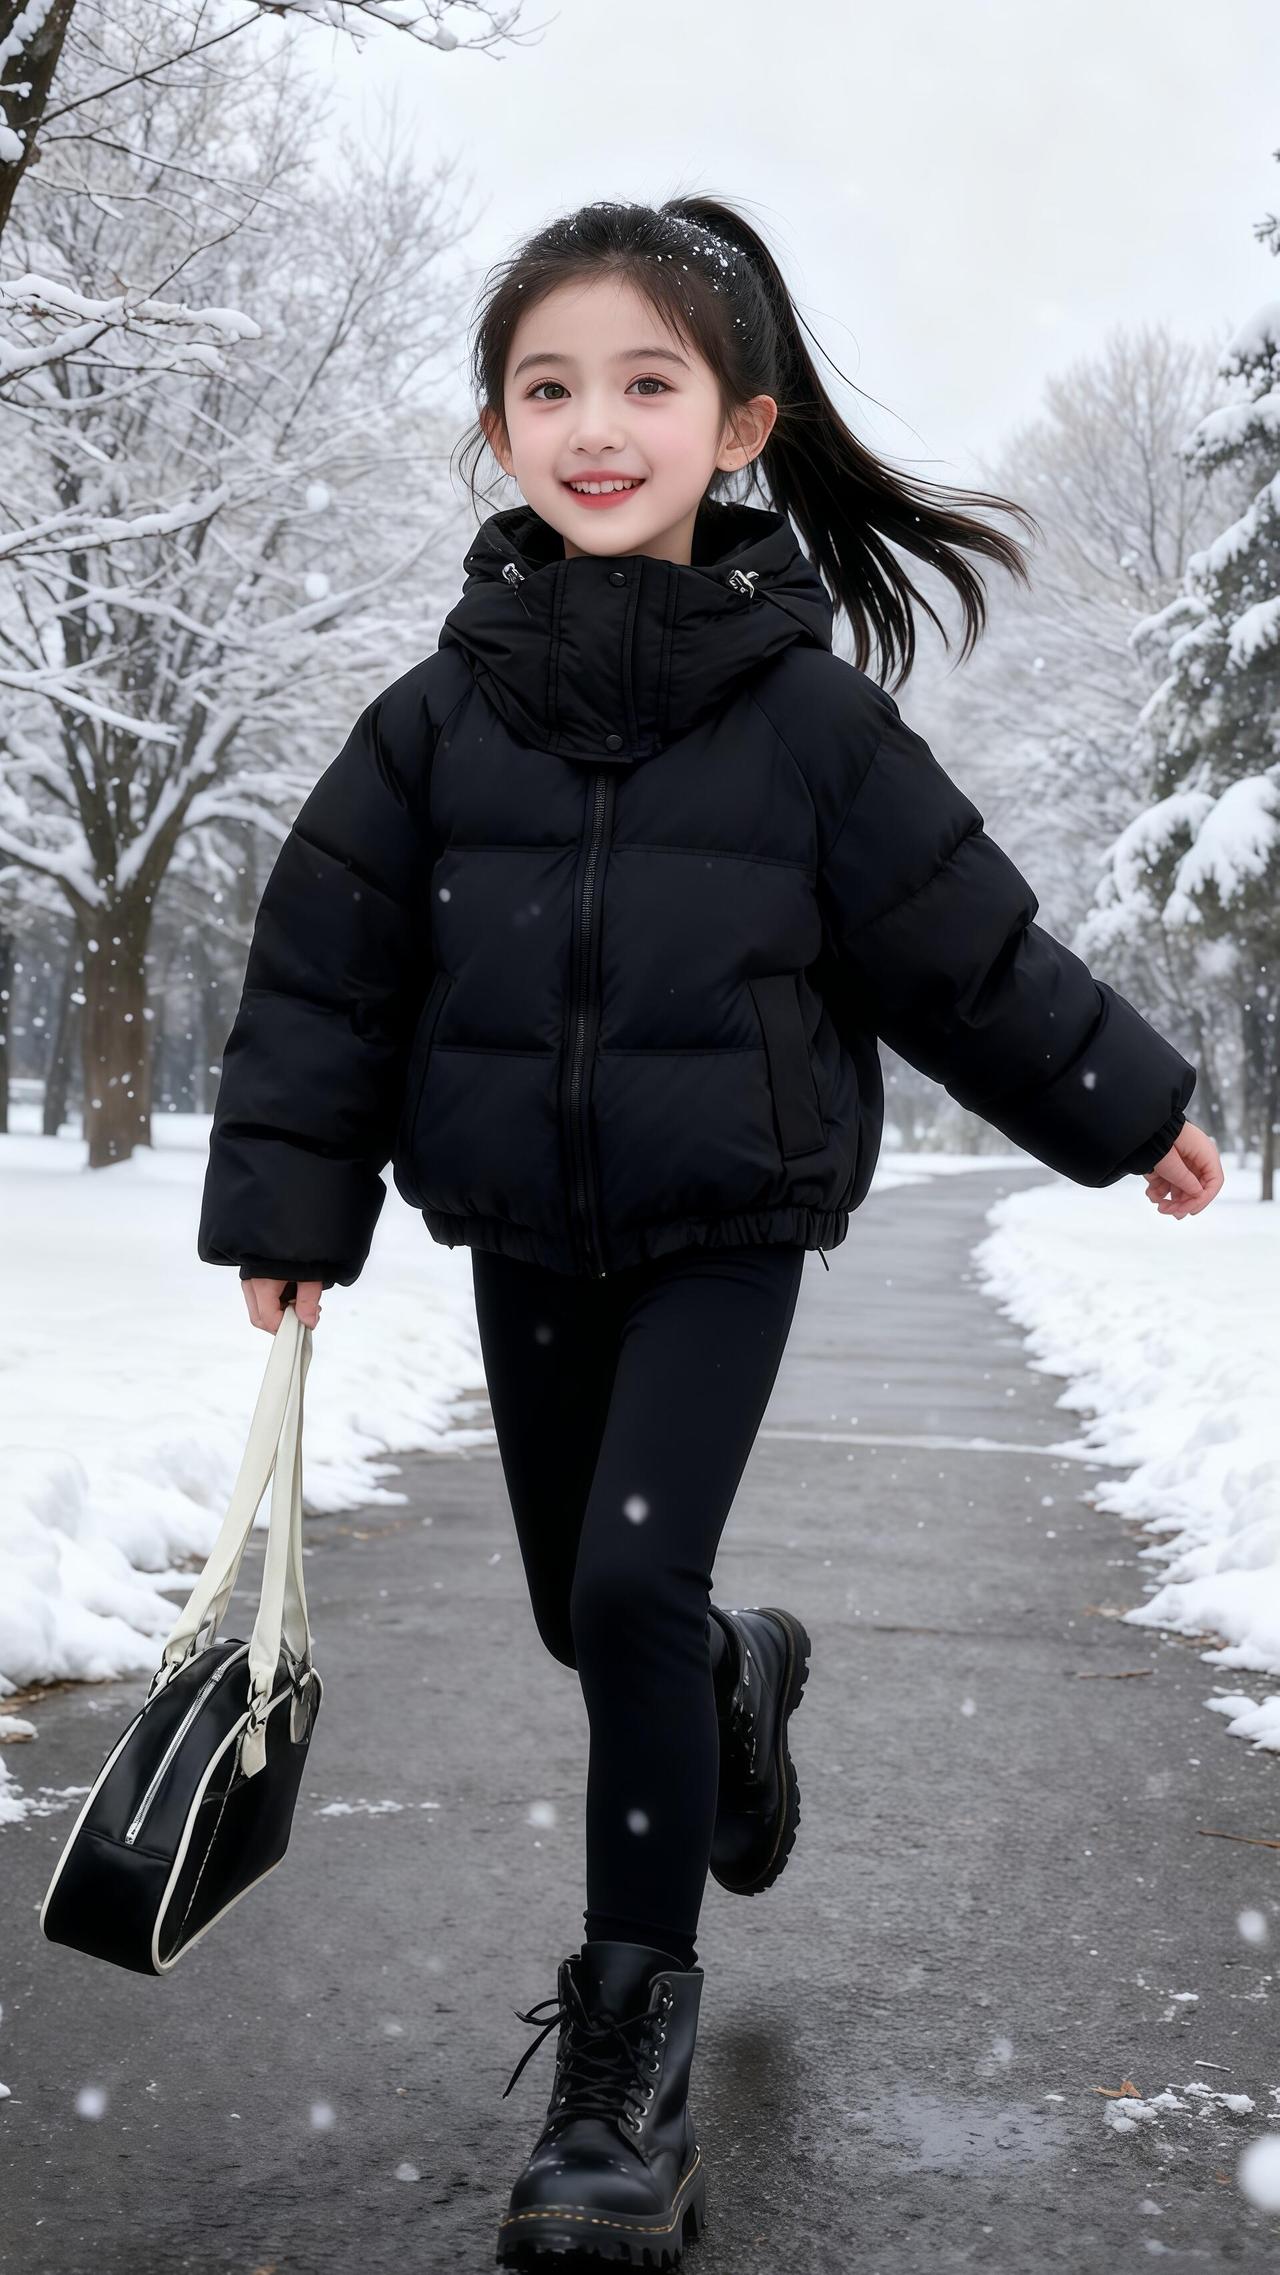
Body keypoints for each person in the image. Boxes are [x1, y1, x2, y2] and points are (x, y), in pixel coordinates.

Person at [197, 196, 1223, 2266]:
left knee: (630, 1580)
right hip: (518, 1221)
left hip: (725, 1219)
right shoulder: (433, 717)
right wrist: (294, 1202)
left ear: (737, 423)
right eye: (547, 387)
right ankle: (744, 1683)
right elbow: (327, 971)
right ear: (498, 429)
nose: (594, 423)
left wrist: (1130, 1109)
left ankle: (620, 2068)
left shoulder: (805, 722)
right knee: (601, 1620)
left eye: (645, 384)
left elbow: (964, 948)